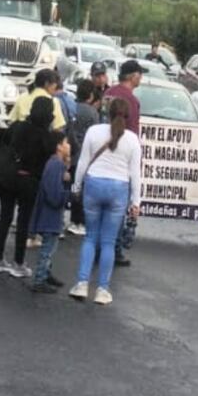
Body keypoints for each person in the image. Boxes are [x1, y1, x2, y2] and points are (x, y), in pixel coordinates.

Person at [69, 98, 142, 306]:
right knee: (108, 242)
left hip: (93, 184)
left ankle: (82, 284)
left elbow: (83, 162)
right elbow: (135, 174)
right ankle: (102, 289)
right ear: (127, 117)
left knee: (90, 237)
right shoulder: (132, 140)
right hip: (119, 189)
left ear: (107, 113)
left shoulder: (94, 131)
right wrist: (136, 201)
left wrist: (76, 186)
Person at [0, 97, 57, 277]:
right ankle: (18, 263)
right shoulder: (45, 136)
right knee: (23, 222)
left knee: (5, 217)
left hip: (7, 177)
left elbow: (3, 144)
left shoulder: (17, 126)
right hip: (29, 181)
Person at [102, 59, 145, 266]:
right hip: (121, 159)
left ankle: (100, 247)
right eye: (139, 74)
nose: (141, 78)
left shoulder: (108, 92)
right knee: (118, 210)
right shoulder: (132, 101)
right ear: (132, 76)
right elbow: (133, 134)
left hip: (102, 154)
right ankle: (115, 249)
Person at [29, 132, 72, 293]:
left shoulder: (55, 164)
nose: (69, 145)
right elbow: (54, 195)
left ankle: (46, 273)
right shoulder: (56, 166)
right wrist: (68, 195)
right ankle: (40, 278)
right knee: (47, 249)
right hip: (50, 216)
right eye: (66, 143)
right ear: (59, 147)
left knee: (50, 247)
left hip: (49, 215)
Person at [66, 79, 100, 237]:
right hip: (84, 156)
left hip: (70, 154)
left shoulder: (72, 107)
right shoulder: (92, 112)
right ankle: (80, 221)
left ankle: (72, 219)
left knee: (72, 187)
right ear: (91, 95)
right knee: (82, 190)